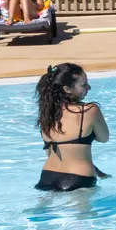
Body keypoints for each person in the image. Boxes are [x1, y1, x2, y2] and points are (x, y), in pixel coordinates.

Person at [35, 63, 109, 191]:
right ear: (67, 89)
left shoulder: (47, 114)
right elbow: (104, 138)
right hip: (78, 178)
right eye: (84, 85)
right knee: (85, 212)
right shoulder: (89, 110)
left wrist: (98, 171)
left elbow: (53, 153)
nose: (89, 88)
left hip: (47, 177)